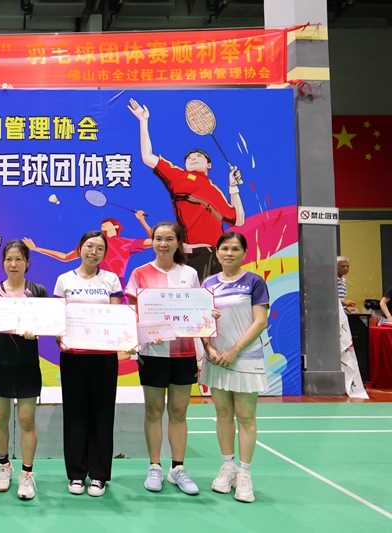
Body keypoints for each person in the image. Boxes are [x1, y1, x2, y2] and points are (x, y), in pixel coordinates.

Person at [126, 221, 205, 496]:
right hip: (152, 353)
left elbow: (197, 310)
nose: (163, 244)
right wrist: (148, 333)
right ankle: (155, 466)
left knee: (179, 412)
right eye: (158, 238)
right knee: (154, 411)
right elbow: (133, 313)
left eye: (169, 238)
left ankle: (178, 468)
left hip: (184, 352)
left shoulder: (190, 274)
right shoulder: (139, 273)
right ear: (153, 242)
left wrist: (207, 317)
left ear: (178, 242)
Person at [128, 98, 245, 280]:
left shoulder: (215, 192)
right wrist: (143, 121)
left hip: (214, 256)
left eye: (198, 156)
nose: (193, 158)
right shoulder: (178, 176)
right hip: (188, 256)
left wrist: (233, 187)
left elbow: (238, 220)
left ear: (209, 165)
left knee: (211, 297)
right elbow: (147, 156)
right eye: (189, 158)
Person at [200, 231, 270, 503]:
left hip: (244, 357)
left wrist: (235, 351)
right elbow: (200, 321)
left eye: (235, 249)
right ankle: (228, 467)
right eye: (224, 248)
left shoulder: (254, 282)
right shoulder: (208, 284)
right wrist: (209, 348)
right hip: (216, 358)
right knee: (222, 413)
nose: (229, 253)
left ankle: (244, 474)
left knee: (246, 416)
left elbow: (260, 321)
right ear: (217, 252)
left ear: (244, 253)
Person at [53, 230, 123, 497]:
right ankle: (76, 474)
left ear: (104, 253)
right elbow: (58, 316)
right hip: (73, 357)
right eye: (89, 246)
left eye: (100, 248)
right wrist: (59, 334)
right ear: (79, 248)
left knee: (103, 415)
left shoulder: (111, 279)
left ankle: (99, 476)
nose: (94, 252)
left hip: (104, 358)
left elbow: (117, 316)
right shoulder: (64, 279)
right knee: (75, 414)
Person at [0, 239, 48, 500]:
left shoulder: (37, 291)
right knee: (0, 417)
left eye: (19, 259)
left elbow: (47, 324)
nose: (13, 264)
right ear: (3, 262)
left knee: (27, 420)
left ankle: (27, 474)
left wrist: (36, 331)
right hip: (0, 363)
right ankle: (3, 466)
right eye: (9, 259)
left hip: (27, 364)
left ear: (27, 263)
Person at [23, 210, 151, 286]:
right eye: (102, 224)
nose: (103, 225)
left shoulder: (127, 243)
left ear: (116, 226)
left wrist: (142, 220)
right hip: (94, 283)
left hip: (117, 284)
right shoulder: (92, 242)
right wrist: (36, 248)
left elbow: (155, 241)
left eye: (107, 223)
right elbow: (66, 257)